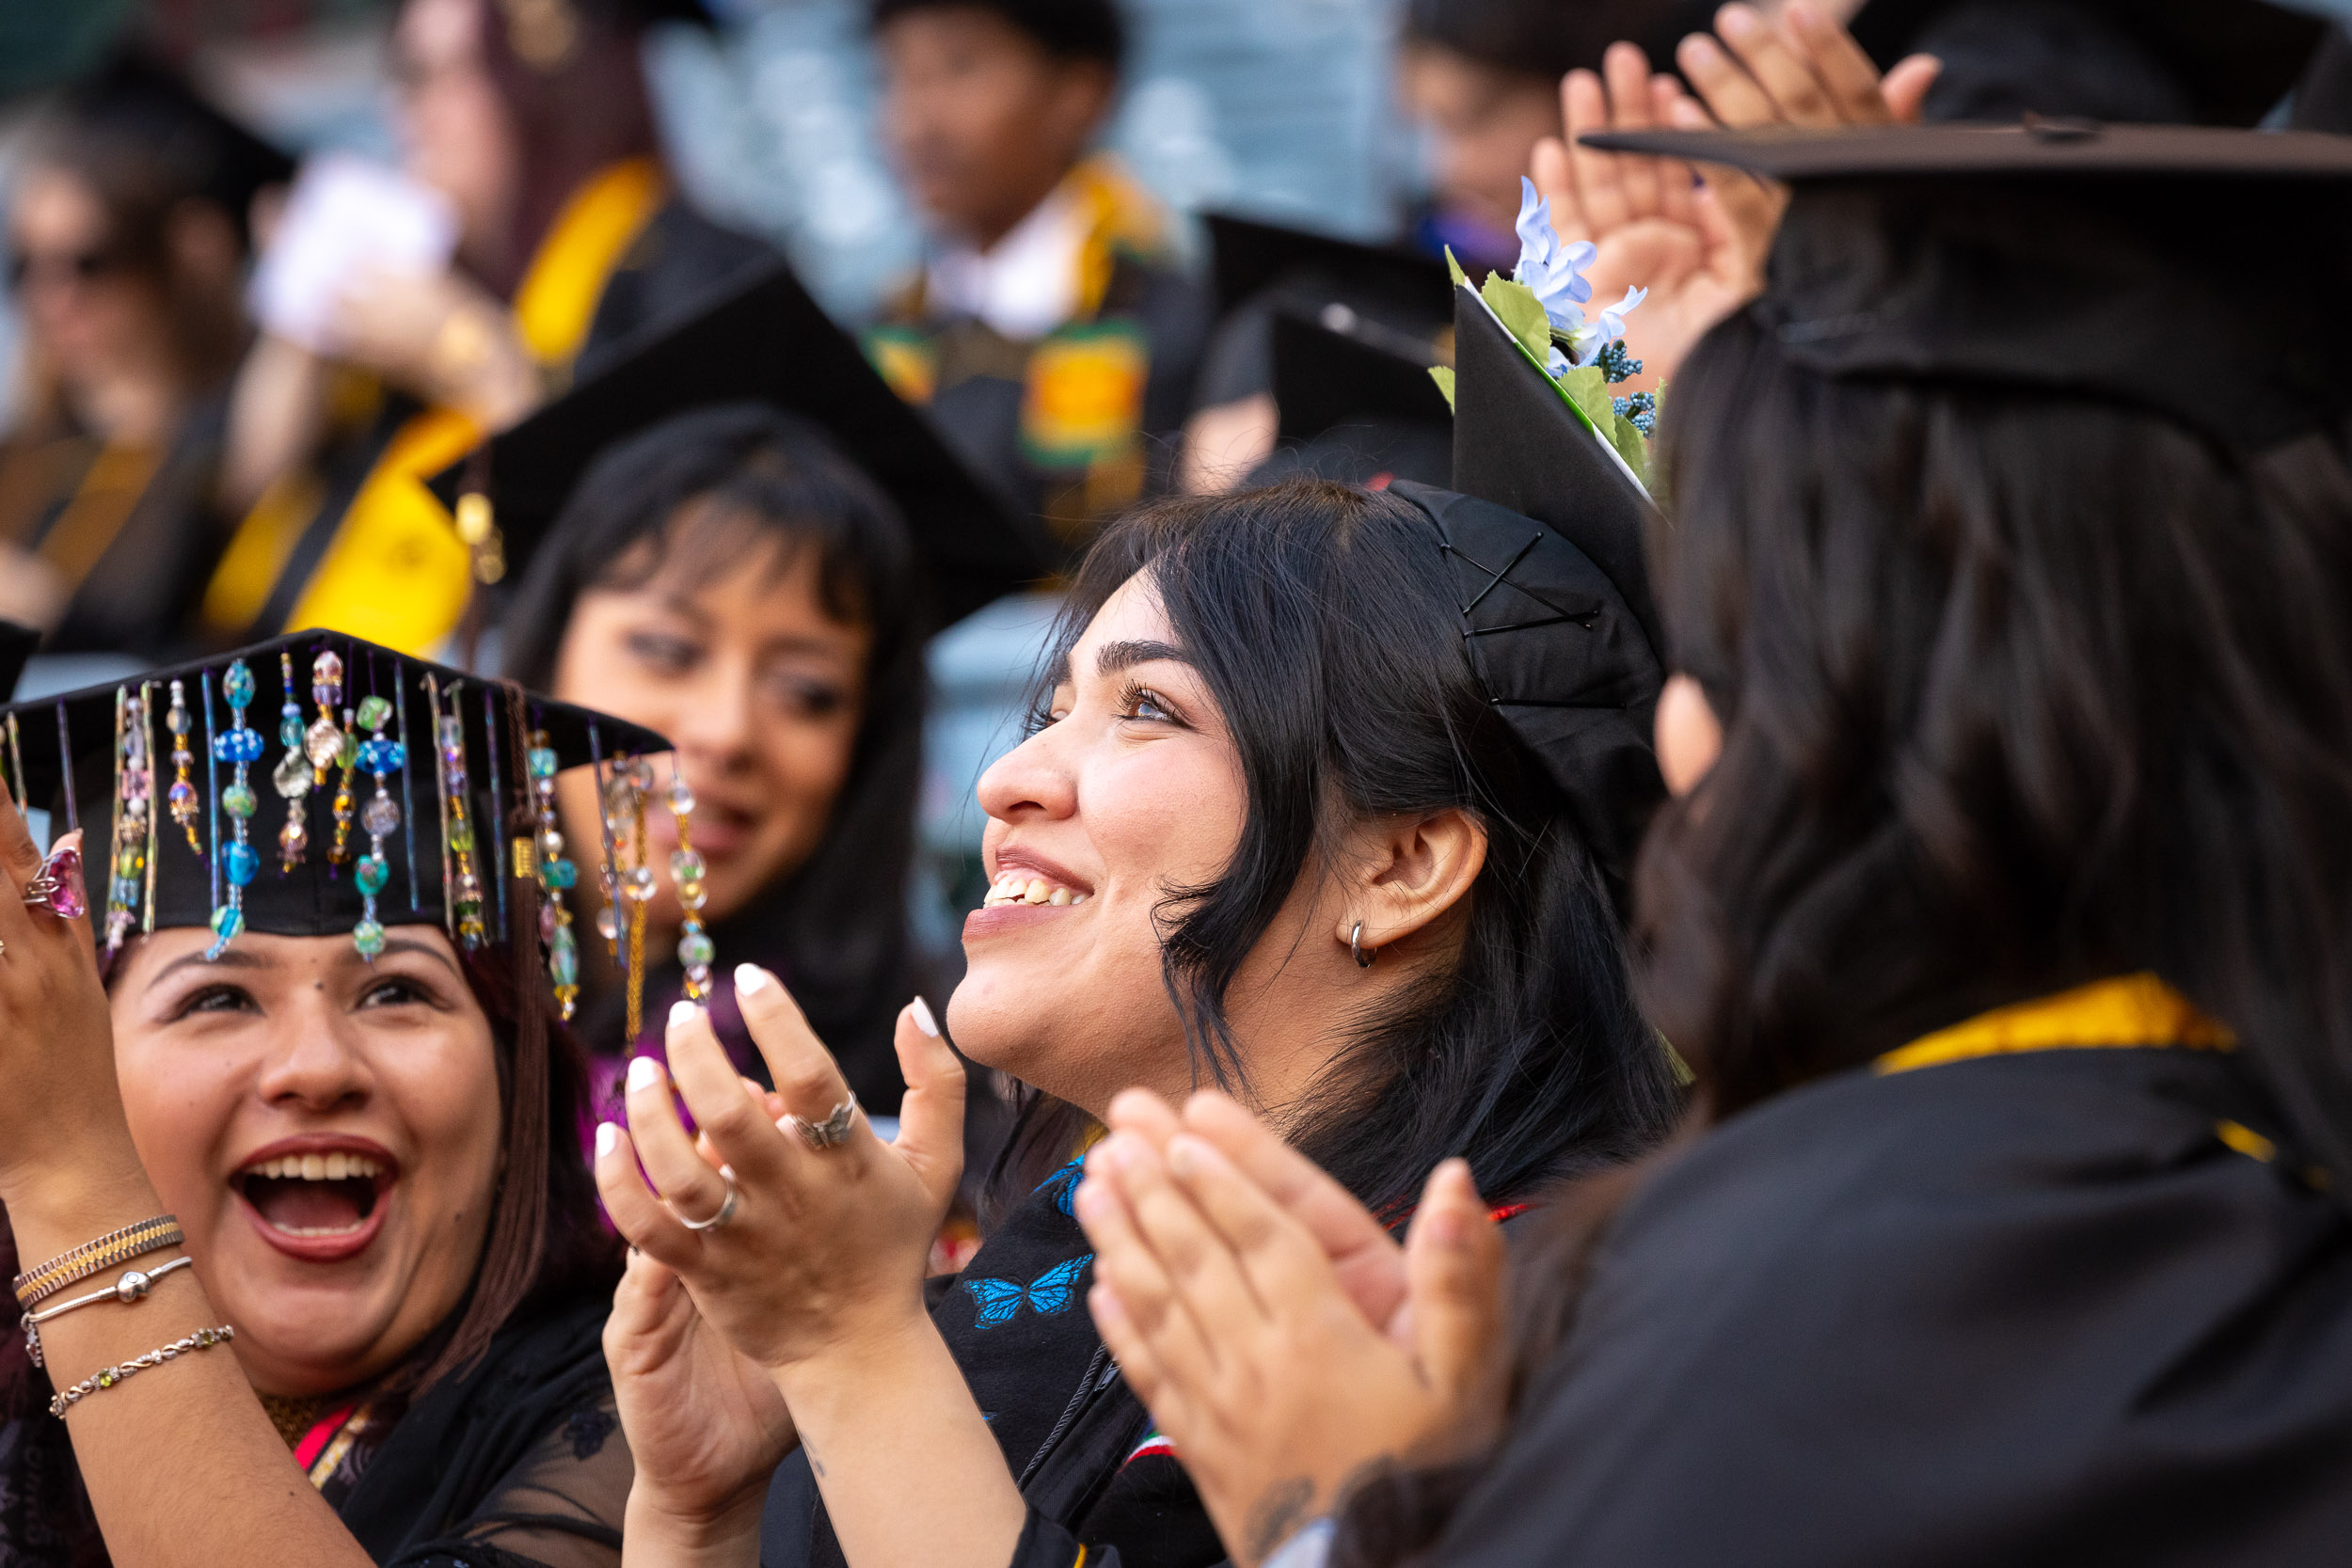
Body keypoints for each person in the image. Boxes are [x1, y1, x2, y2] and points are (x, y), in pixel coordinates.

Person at [1073, 120, 2352, 1568]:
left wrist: (1343, 1515)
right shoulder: (2241, 1203)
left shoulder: (1789, 1306)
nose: (1676, 736)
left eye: (1729, 653)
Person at [589, 453, 1686, 1567]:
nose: (1008, 776)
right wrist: (702, 1513)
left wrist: (852, 1346)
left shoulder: (1522, 1321)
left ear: (1401, 862)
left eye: (1146, 708)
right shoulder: (1055, 1251)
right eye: (1056, 709)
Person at [0, 632, 669, 1564]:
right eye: (217, 996)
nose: (316, 1066)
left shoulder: (648, 1410)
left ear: (517, 1095)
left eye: (399, 990)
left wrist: (76, 1191)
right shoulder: (18, 1442)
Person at [476, 266, 1048, 1112]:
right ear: (545, 662)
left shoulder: (926, 1106)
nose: (726, 730)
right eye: (667, 649)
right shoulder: (384, 1012)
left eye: (808, 691)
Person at [198, 0, 776, 656]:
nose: (409, 115)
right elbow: (231, 529)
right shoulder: (432, 290)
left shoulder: (696, 279)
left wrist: (473, 362)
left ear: (546, 89)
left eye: (440, 74)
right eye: (401, 76)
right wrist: (299, 326)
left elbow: (663, 571)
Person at [861, 0, 1211, 546]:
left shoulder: (1179, 326)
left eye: (960, 68)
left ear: (1078, 92)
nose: (915, 120)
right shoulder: (884, 328)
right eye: (895, 77)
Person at [0, 57, 291, 657]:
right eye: (27, 267)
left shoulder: (223, 446)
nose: (54, 299)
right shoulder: (23, 453)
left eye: (91, 261)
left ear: (170, 261)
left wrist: (46, 612)